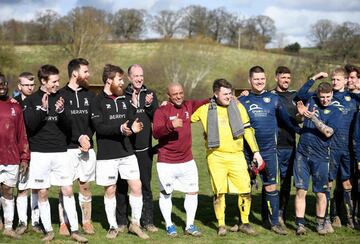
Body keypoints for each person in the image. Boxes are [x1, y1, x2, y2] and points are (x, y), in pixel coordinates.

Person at [23, 64, 87, 242]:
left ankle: (74, 230)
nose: (57, 84)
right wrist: (43, 110)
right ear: (43, 81)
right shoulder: (31, 100)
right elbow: (30, 126)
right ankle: (48, 231)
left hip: (61, 152)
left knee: (67, 189)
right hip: (40, 153)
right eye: (54, 81)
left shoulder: (63, 98)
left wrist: (61, 112)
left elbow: (69, 127)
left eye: (58, 81)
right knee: (42, 192)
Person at [191, 79, 263, 236]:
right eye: (225, 94)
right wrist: (166, 107)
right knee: (219, 191)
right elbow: (184, 115)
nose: (229, 96)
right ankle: (221, 225)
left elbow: (247, 130)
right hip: (215, 156)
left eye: (230, 93)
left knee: (245, 189)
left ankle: (245, 223)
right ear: (215, 93)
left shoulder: (238, 106)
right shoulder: (204, 109)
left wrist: (256, 152)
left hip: (237, 156)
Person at [90, 64, 148, 239]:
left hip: (127, 152)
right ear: (109, 80)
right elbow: (99, 128)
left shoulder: (124, 99)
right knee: (110, 190)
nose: (122, 83)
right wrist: (121, 128)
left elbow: (130, 120)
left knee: (136, 186)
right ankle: (113, 226)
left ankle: (135, 224)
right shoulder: (97, 101)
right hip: (107, 155)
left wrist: (133, 126)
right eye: (119, 79)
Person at [239, 66, 299, 235]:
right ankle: (243, 221)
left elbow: (287, 121)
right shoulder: (242, 100)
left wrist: (301, 130)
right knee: (245, 187)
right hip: (248, 152)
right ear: (250, 81)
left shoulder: (273, 99)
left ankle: (274, 223)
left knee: (271, 186)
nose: (259, 82)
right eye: (256, 79)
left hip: (269, 151)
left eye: (262, 79)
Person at [297, 69, 358, 229]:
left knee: (346, 182)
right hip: (328, 147)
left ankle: (351, 218)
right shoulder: (321, 97)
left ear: (346, 81)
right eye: (333, 79)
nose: (335, 82)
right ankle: (329, 218)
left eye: (338, 80)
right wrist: (314, 77)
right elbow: (301, 95)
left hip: (347, 146)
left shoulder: (352, 98)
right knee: (327, 183)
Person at [152, 83, 208, 237]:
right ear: (168, 95)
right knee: (166, 194)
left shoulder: (188, 106)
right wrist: (170, 125)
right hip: (166, 162)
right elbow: (156, 133)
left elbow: (205, 101)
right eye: (175, 94)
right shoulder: (161, 111)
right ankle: (169, 225)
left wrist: (225, 95)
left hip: (187, 161)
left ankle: (190, 225)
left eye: (180, 93)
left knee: (192, 192)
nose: (178, 96)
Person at [116, 64, 159, 232]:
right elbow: (125, 118)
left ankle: (147, 221)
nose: (139, 78)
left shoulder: (150, 94)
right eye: (136, 76)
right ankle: (121, 222)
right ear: (129, 78)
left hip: (144, 149)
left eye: (141, 75)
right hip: (125, 149)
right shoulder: (122, 95)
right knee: (122, 186)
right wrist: (134, 105)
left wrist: (149, 106)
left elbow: (157, 116)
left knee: (145, 186)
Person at [294, 81, 340, 235]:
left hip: (321, 156)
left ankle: (320, 224)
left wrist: (312, 118)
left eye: (327, 97)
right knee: (301, 190)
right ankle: (300, 224)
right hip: (302, 153)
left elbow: (328, 132)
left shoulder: (335, 111)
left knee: (321, 192)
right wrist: (301, 115)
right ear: (318, 95)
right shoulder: (312, 100)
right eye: (322, 97)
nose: (325, 100)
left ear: (332, 95)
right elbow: (299, 118)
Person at [58, 58, 96, 235]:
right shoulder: (60, 95)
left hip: (86, 147)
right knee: (66, 186)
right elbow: (61, 125)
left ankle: (86, 221)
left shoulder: (90, 95)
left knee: (85, 185)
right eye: (85, 72)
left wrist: (87, 137)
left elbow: (93, 121)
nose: (88, 75)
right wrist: (78, 137)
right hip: (67, 148)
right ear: (75, 73)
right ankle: (64, 222)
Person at [0, 72, 30, 239]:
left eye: (4, 84)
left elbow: (22, 134)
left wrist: (25, 157)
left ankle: (9, 227)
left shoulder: (15, 107)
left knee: (8, 191)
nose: (2, 87)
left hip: (11, 158)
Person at [271, 66, 301, 226]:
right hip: (273, 146)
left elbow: (299, 117)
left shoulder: (295, 96)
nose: (286, 80)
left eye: (288, 78)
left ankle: (281, 212)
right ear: (276, 78)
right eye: (283, 77)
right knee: (271, 182)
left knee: (286, 183)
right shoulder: (269, 95)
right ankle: (270, 213)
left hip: (289, 145)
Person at [12, 72, 41, 235]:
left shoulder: (39, 100)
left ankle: (36, 221)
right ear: (19, 86)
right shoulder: (14, 104)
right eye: (26, 85)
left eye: (32, 85)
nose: (30, 88)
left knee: (36, 187)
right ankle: (22, 221)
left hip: (37, 149)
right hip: (20, 151)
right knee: (22, 187)